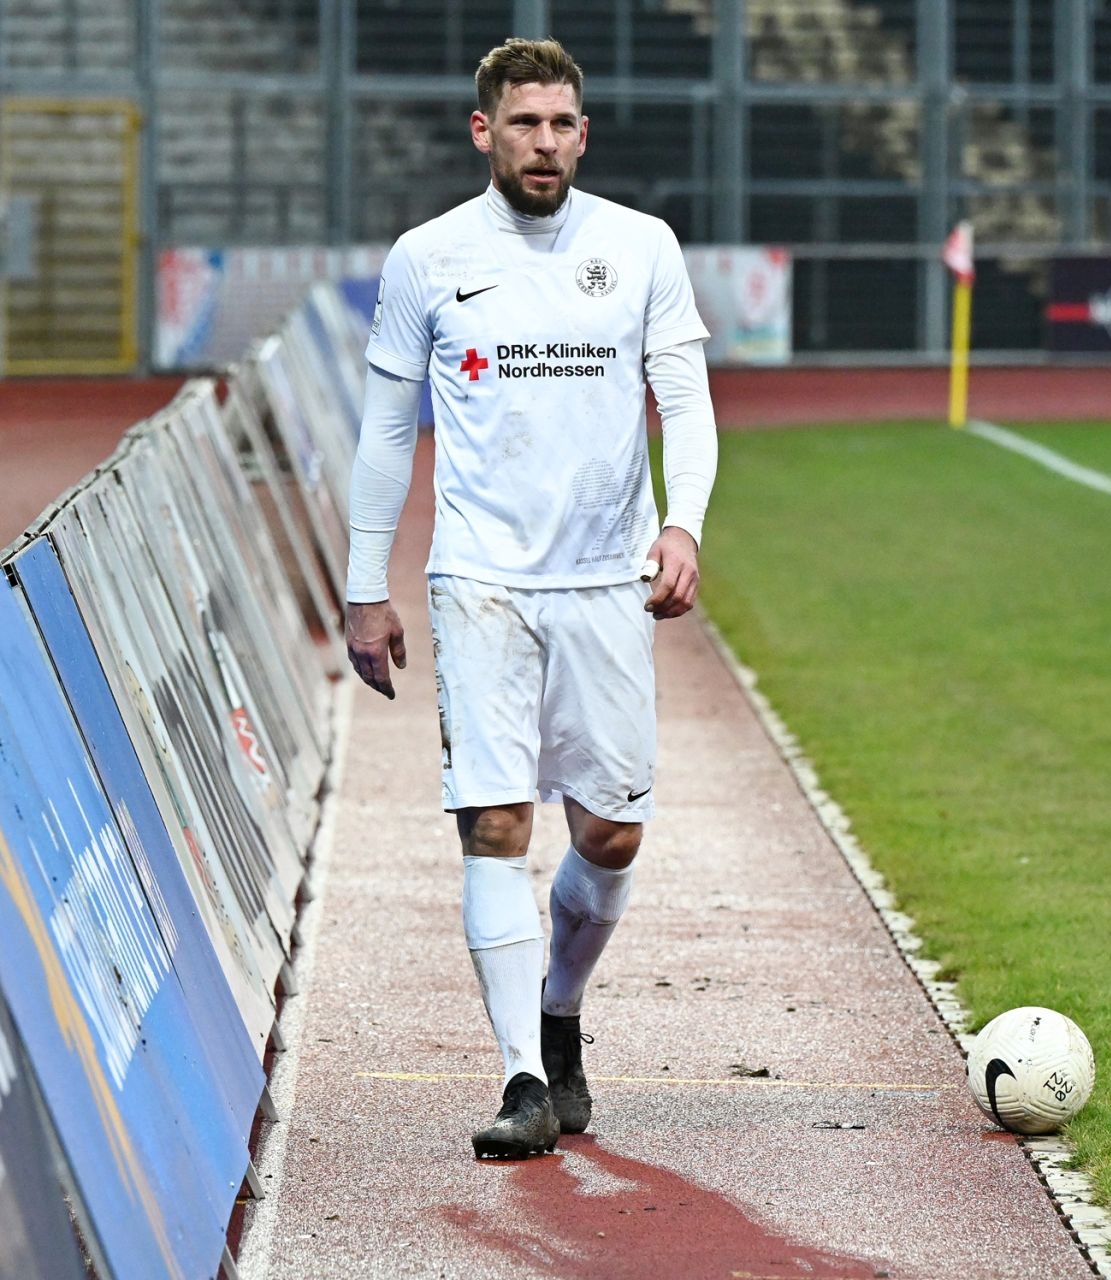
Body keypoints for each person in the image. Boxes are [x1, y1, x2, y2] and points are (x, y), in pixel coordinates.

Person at [342, 36, 718, 1159]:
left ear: (583, 135)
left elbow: (685, 404)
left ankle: (560, 1010)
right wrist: (367, 586)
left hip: (605, 580)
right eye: (523, 123)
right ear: (484, 131)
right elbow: (386, 432)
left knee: (610, 834)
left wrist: (684, 523)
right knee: (496, 822)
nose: (543, 143)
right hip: (480, 581)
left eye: (561, 125)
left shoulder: (640, 246)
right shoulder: (428, 257)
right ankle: (520, 1079)